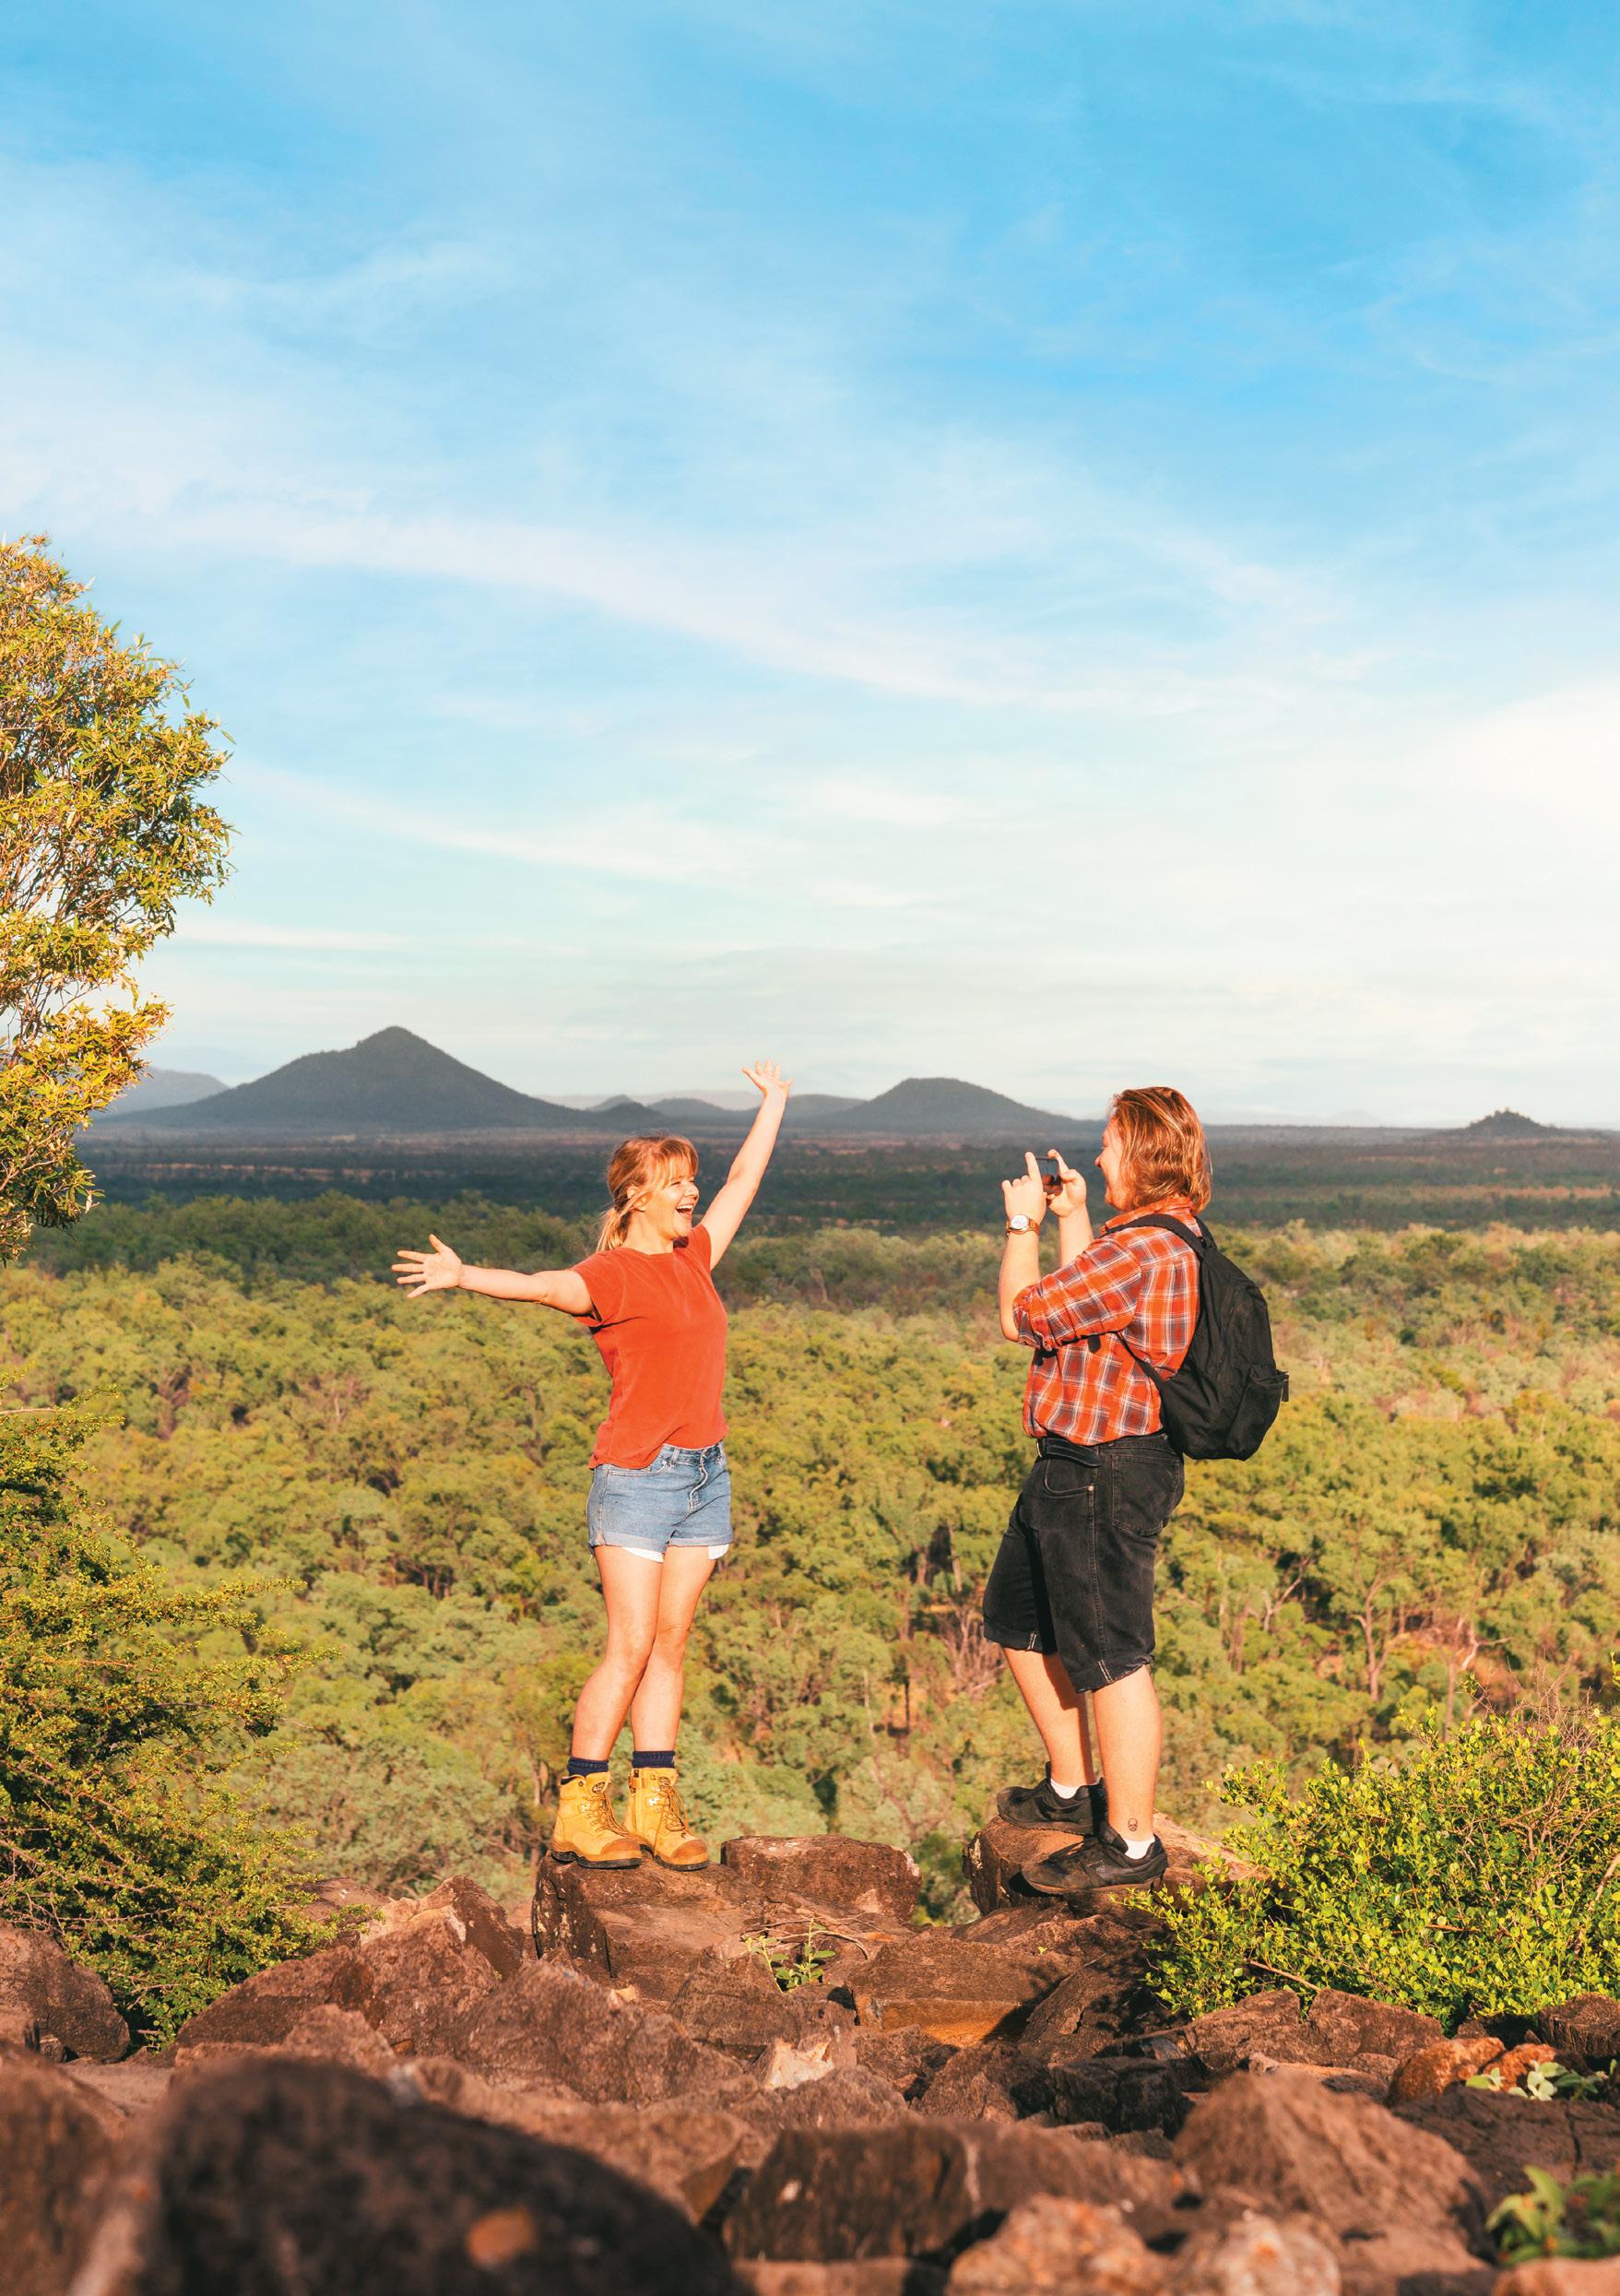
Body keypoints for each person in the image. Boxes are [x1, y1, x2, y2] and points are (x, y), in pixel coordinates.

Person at [392, 1060, 791, 1871]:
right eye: (676, 1183)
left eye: (692, 1182)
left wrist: (775, 1104)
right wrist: (465, 1275)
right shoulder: (611, 1276)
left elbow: (746, 1178)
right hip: (638, 1479)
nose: (691, 1194)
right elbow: (542, 1285)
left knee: (672, 1644)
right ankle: (581, 1806)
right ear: (637, 1195)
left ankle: (655, 1802)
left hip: (705, 1476)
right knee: (631, 1642)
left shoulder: (695, 1256)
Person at [983, 1085, 1210, 1900]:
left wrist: (1022, 1226)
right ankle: (1074, 1789)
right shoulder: (1145, 1241)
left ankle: (1130, 1840)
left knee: (1110, 1653)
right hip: (1071, 1459)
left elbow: (1023, 1316)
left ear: (1143, 1155)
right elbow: (1091, 1302)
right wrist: (1075, 1213)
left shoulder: (1143, 1251)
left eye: (1109, 1145)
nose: (1100, 1155)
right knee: (1016, 1618)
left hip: (1107, 1466)